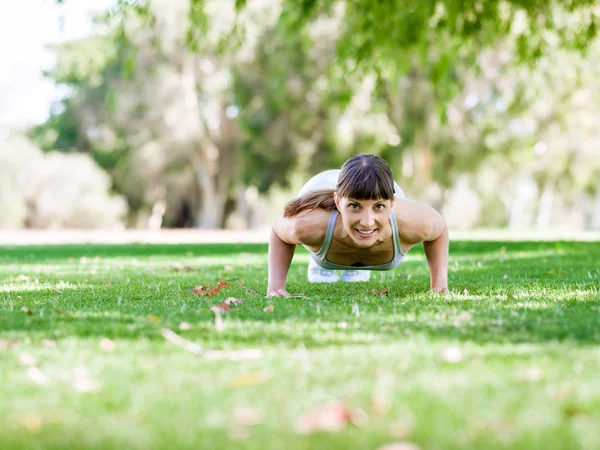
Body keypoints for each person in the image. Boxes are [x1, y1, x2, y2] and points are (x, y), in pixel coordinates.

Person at [267, 154, 449, 296]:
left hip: (375, 189)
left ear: (392, 203)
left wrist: (439, 285)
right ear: (338, 203)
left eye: (378, 207)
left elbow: (439, 230)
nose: (367, 221)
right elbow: (278, 232)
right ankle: (321, 258)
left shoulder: (412, 222)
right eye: (355, 206)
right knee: (317, 240)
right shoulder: (309, 224)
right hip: (321, 189)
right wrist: (275, 288)